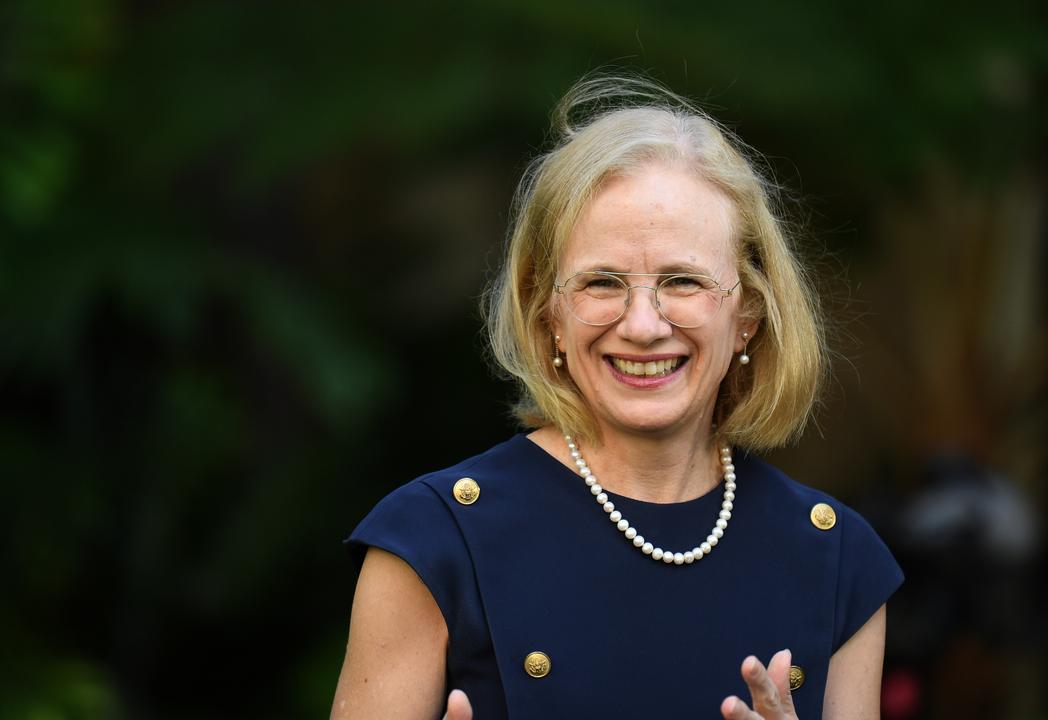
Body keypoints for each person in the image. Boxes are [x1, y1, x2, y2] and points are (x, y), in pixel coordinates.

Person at [331, 73, 903, 720]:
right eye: (602, 282)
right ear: (548, 312)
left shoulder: (836, 560)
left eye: (683, 281)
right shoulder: (433, 542)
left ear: (747, 313)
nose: (642, 324)